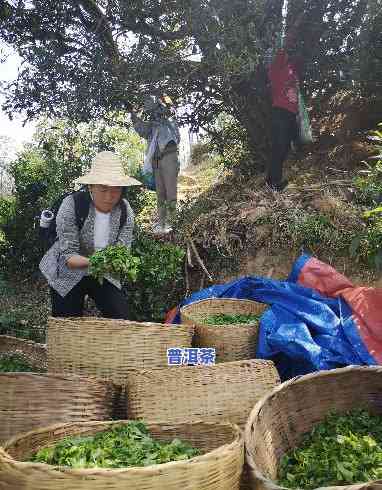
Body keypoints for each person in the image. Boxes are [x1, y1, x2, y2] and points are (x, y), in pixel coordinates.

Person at [39, 151, 141, 318]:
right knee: (67, 324)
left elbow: (122, 252)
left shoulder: (125, 210)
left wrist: (117, 263)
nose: (109, 197)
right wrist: (101, 262)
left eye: (116, 189)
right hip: (66, 271)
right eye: (103, 189)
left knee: (121, 318)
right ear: (91, 187)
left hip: (102, 272)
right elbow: (69, 258)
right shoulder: (72, 204)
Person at [131, 95, 181, 235]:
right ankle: (161, 223)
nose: (153, 113)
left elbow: (176, 134)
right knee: (160, 194)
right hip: (156, 161)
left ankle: (172, 223)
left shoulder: (168, 119)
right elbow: (141, 129)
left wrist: (163, 103)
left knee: (171, 192)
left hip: (169, 156)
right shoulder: (152, 126)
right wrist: (133, 115)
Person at [267, 14, 305, 192]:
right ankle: (273, 183)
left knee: (286, 148)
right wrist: (296, 26)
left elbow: (295, 90)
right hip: (280, 113)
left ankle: (273, 180)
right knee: (279, 147)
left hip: (290, 114)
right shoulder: (277, 66)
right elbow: (286, 43)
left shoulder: (291, 69)